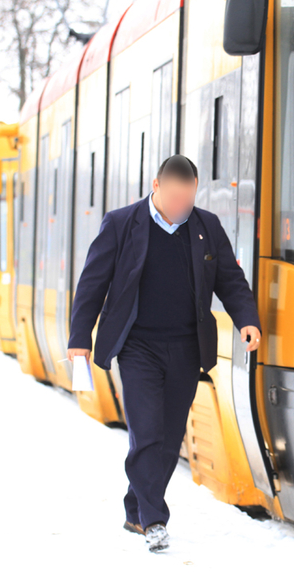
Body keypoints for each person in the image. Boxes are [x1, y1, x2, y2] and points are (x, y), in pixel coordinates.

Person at [66, 154, 262, 553]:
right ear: (156, 187)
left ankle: (134, 507)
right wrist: (79, 339)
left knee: (169, 439)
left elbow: (230, 279)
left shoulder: (206, 225)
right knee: (147, 431)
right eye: (174, 200)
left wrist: (247, 319)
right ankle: (154, 520)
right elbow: (92, 283)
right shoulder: (121, 224)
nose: (180, 209)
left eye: (187, 201)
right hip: (138, 346)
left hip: (187, 347)